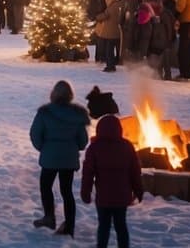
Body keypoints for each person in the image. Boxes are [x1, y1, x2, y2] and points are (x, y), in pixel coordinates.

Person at [30, 80, 91, 236]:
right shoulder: (77, 115)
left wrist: (43, 148)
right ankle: (69, 226)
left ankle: (49, 216)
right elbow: (83, 140)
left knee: (45, 186)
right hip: (69, 159)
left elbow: (35, 134)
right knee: (67, 191)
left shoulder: (45, 113)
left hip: (50, 157)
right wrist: (73, 148)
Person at [80, 113, 143, 248]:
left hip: (103, 196)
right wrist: (138, 189)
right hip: (122, 196)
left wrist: (86, 192)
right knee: (121, 226)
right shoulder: (127, 146)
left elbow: (88, 173)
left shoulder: (94, 148)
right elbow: (135, 172)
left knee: (103, 226)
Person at [95, 0, 122, 73]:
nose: (106, 1)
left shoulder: (111, 7)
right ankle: (114, 62)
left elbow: (105, 15)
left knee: (109, 50)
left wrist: (97, 17)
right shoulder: (119, 5)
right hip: (117, 32)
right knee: (115, 49)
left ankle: (110, 66)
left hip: (110, 33)